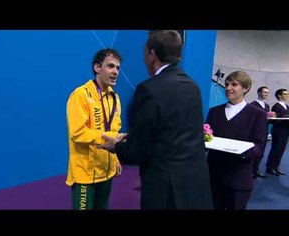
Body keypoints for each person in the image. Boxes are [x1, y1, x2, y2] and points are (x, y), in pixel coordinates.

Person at [99, 30, 212, 209]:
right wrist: (131, 136)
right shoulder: (193, 87)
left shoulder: (149, 89)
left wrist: (117, 146)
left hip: (166, 190)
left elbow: (139, 150)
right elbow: (172, 132)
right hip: (195, 185)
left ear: (152, 54)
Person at [65, 48, 123, 210]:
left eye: (118, 68)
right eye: (110, 66)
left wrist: (116, 158)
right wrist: (109, 138)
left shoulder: (115, 98)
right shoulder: (80, 95)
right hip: (85, 174)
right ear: (97, 68)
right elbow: (78, 132)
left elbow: (116, 128)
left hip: (107, 171)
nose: (115, 72)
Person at [206, 71, 267, 210]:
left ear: (245, 88)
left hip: (239, 177)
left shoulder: (257, 114)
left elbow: (259, 147)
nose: (228, 88)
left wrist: (241, 150)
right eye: (227, 84)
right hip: (213, 175)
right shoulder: (214, 111)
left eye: (234, 84)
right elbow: (207, 138)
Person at [265, 88, 289, 176]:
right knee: (275, 150)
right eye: (285, 94)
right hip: (278, 131)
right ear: (279, 95)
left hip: (285, 131)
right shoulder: (276, 106)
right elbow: (275, 120)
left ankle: (276, 167)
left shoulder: (287, 106)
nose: (287, 96)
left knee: (281, 150)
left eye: (287, 94)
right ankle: (270, 167)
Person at [250, 86, 271, 178]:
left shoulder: (267, 106)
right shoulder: (252, 105)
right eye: (265, 92)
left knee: (261, 151)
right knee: (253, 151)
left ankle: (256, 169)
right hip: (255, 131)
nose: (266, 94)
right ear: (259, 93)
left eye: (268, 93)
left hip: (264, 130)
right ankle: (249, 171)